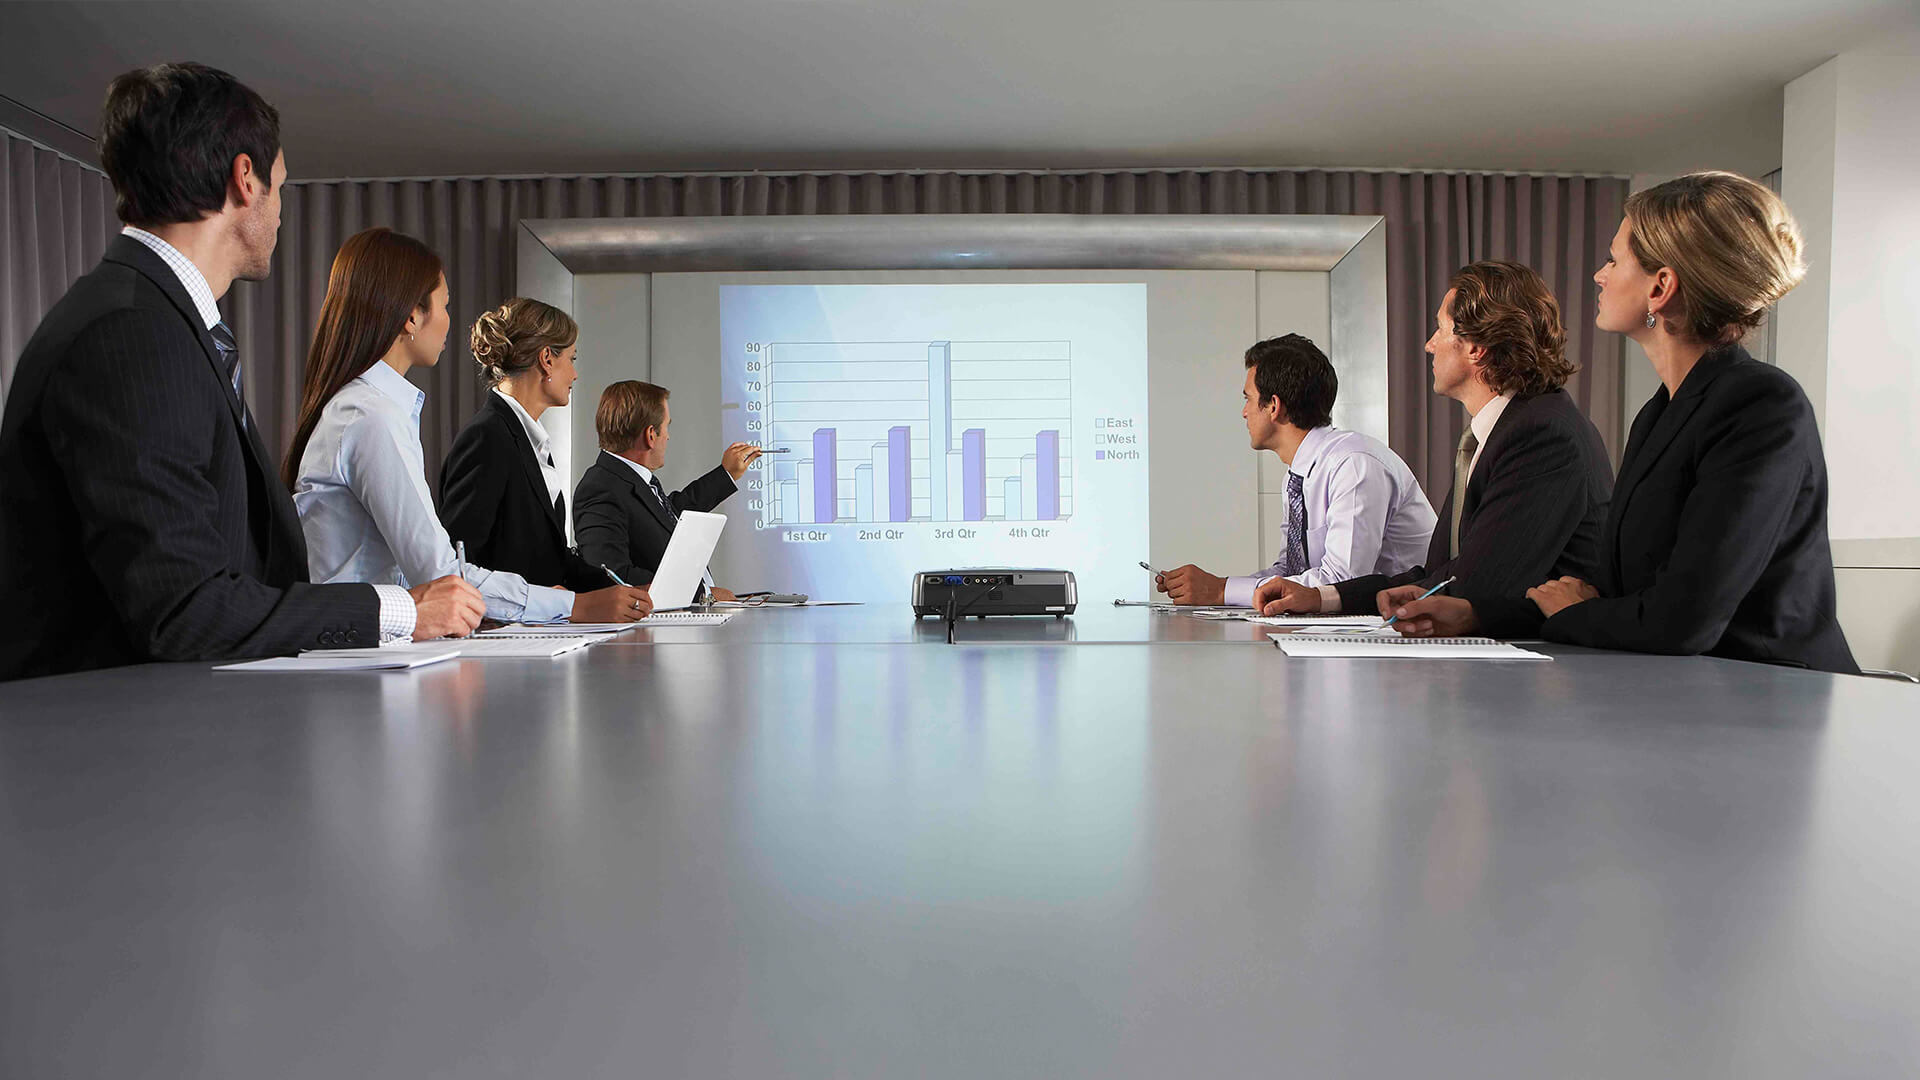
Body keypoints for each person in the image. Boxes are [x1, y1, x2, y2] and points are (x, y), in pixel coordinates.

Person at [0, 63, 478, 681]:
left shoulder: (157, 319)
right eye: (279, 188)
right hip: (112, 730)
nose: (280, 214)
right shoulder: (133, 332)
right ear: (244, 179)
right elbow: (184, 608)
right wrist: (401, 610)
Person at [1524, 172, 1857, 673]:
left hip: (1775, 698)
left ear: (1661, 287)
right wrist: (1474, 613)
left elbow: (1682, 621)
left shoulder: (1762, 405)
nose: (1599, 275)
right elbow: (1620, 598)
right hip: (1691, 690)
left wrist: (1575, 614)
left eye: (1614, 260)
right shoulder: (1658, 412)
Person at [286, 230, 653, 625]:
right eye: (445, 305)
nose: (449, 320)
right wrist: (569, 605)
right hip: (363, 648)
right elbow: (441, 572)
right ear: (412, 316)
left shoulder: (372, 411)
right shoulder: (371, 417)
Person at [1257, 261, 1612, 639]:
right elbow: (1440, 574)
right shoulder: (1506, 429)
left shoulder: (1540, 434)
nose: (1429, 345)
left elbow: (1475, 586)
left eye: (1440, 329)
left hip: (1547, 664)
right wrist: (1323, 597)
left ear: (1475, 347)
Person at [1155, 334, 1435, 605]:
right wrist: (1216, 589)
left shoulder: (1353, 464)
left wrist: (1222, 590)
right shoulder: (1299, 474)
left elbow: (1342, 583)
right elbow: (1290, 574)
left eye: (1248, 399)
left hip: (1397, 625)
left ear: (1273, 406)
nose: (1244, 412)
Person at [439, 298, 614, 595]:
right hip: (505, 623)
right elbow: (460, 565)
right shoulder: (487, 438)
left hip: (543, 619)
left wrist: (627, 591)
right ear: (547, 359)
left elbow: (552, 561)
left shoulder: (526, 438)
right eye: (571, 359)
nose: (575, 374)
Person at [572, 381, 761, 600]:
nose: (668, 436)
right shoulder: (600, 489)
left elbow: (668, 516)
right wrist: (703, 594)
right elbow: (612, 576)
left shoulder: (628, 479)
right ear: (651, 435)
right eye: (666, 427)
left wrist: (726, 474)